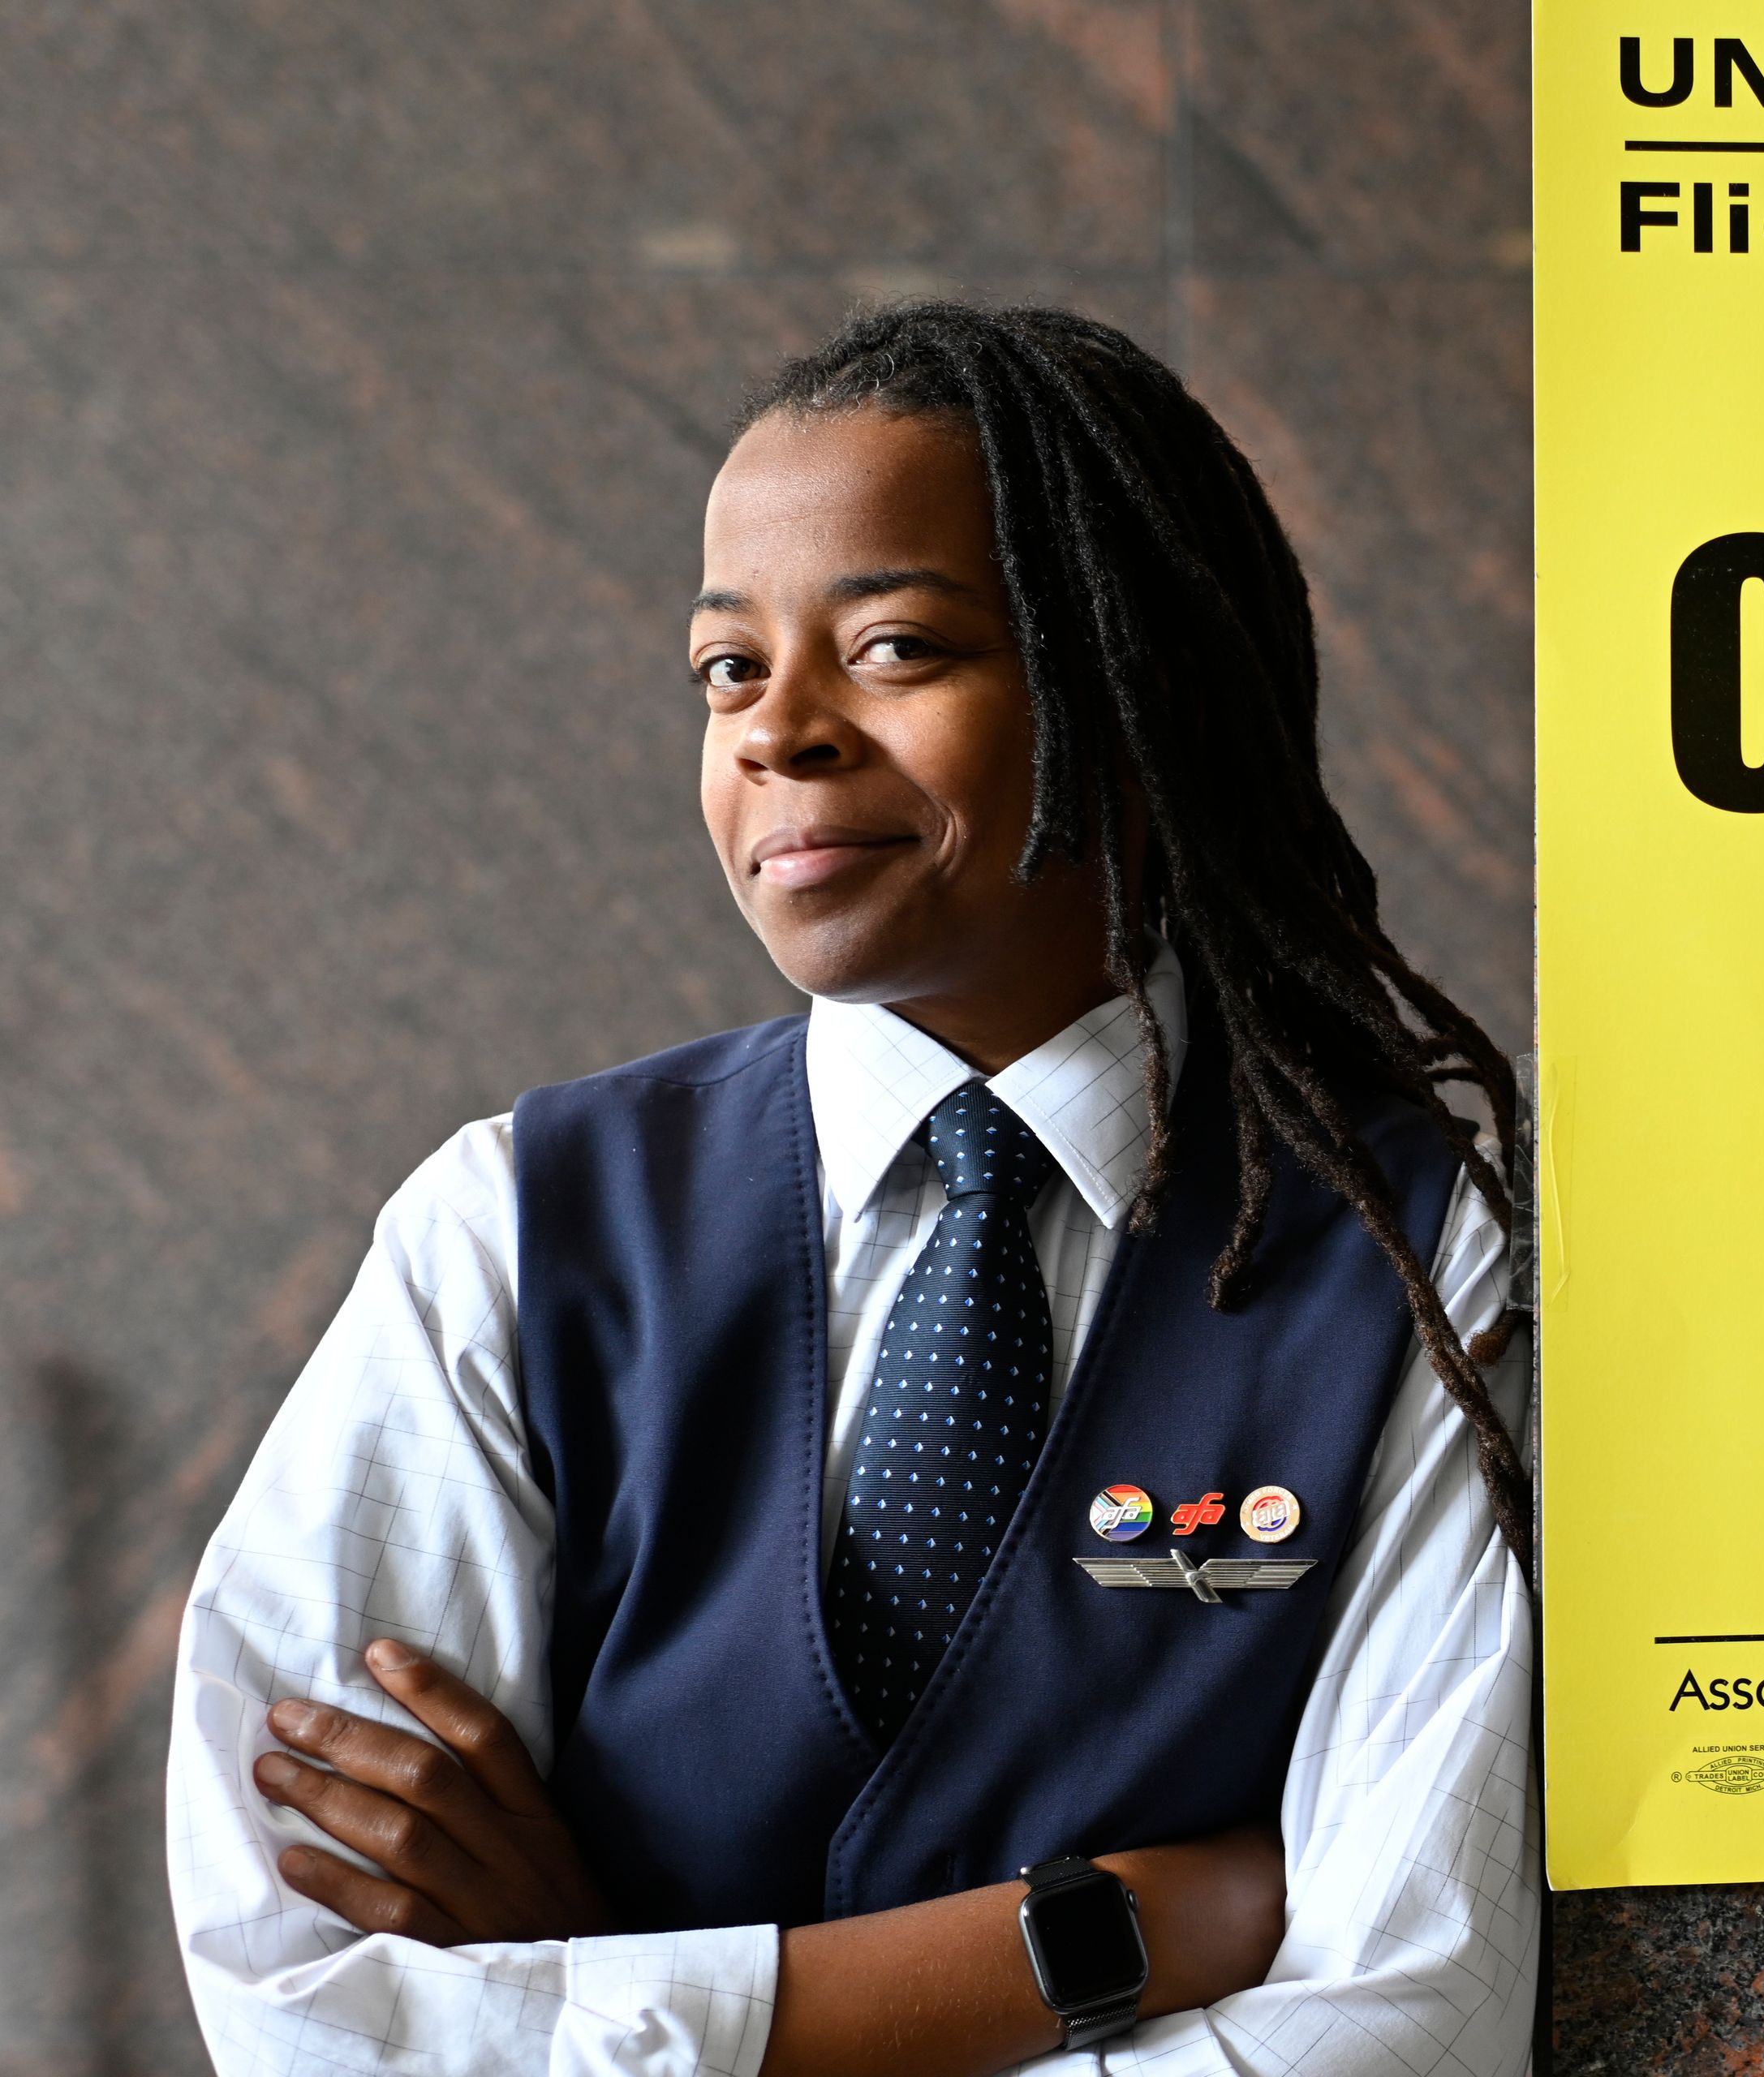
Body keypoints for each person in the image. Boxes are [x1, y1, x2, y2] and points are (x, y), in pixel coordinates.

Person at [165, 303, 1538, 2077]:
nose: (778, 732)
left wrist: (603, 1985)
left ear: (1135, 687)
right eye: (728, 668)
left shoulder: (1419, 1257)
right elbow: (311, 2017)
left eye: (893, 647)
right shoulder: (506, 1234)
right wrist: (1099, 1939)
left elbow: (1403, 2025)